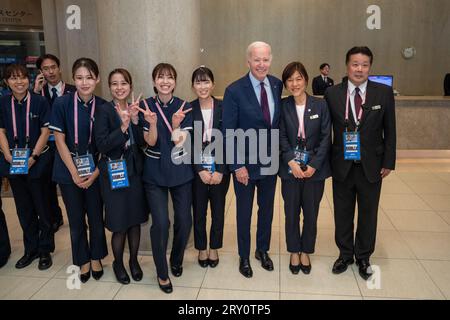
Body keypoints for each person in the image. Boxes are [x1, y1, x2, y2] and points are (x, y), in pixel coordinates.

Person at [324, 46, 396, 280]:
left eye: (364, 65)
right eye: (355, 64)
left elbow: (390, 130)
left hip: (372, 166)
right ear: (347, 65)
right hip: (342, 165)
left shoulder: (383, 93)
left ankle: (363, 256)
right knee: (342, 212)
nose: (359, 69)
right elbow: (326, 132)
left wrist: (389, 161)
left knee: (368, 213)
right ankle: (345, 254)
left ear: (370, 67)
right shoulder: (333, 93)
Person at [222, 41, 282, 278]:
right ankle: (244, 256)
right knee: (244, 212)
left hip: (269, 163)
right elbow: (228, 132)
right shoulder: (234, 90)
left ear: (271, 59)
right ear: (248, 61)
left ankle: (262, 250)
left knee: (266, 210)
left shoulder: (277, 85)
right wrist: (237, 165)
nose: (261, 64)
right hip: (244, 166)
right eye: (257, 59)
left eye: (265, 59)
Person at [49, 58, 108, 283]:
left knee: (95, 216)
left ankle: (96, 257)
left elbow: (105, 144)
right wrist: (74, 172)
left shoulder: (103, 106)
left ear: (97, 79)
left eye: (89, 77)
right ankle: (82, 260)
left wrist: (94, 174)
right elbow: (60, 141)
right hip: (67, 171)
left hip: (94, 170)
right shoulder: (62, 104)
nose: (84, 82)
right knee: (75, 219)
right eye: (80, 78)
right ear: (73, 79)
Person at [137, 63, 193, 293]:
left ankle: (176, 259)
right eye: (161, 77)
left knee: (184, 220)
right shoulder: (145, 106)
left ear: (175, 82)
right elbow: (149, 142)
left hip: (179, 168)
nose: (165, 81)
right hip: (154, 169)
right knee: (160, 223)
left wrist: (176, 125)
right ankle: (162, 272)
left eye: (170, 77)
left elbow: (181, 142)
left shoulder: (184, 106)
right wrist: (151, 123)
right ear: (153, 81)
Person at [94, 68, 148, 284]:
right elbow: (103, 144)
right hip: (114, 173)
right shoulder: (104, 110)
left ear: (130, 86)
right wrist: (123, 127)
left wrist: (134, 121)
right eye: (115, 84)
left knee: (134, 221)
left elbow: (142, 143)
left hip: (134, 172)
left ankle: (133, 261)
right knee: (119, 223)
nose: (119, 87)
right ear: (109, 87)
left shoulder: (135, 108)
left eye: (123, 83)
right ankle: (118, 262)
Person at [279, 62, 331, 275]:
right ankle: (293, 250)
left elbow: (327, 136)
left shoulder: (320, 105)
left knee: (311, 212)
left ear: (306, 80)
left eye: (298, 78)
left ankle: (306, 250)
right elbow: (280, 135)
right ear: (285, 84)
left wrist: (313, 166)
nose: (294, 83)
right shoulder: (283, 106)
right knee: (291, 212)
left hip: (313, 171)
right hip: (290, 170)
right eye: (290, 80)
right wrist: (291, 160)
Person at [0, 64, 54, 270]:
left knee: (43, 208)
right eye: (13, 78)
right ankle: (30, 249)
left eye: (22, 77)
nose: (19, 82)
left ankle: (45, 250)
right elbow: (1, 131)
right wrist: (7, 155)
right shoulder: (3, 103)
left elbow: (45, 131)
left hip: (37, 162)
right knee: (24, 210)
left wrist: (34, 155)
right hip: (14, 163)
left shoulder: (39, 102)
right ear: (7, 82)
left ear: (28, 79)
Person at [190, 67, 230, 268]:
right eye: (198, 82)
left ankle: (214, 247)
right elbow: (186, 143)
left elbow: (230, 139)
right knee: (199, 211)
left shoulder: (224, 107)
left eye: (206, 82)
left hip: (220, 168)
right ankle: (201, 248)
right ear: (193, 86)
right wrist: (200, 169)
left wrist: (221, 169)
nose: (202, 86)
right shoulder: (188, 109)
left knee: (218, 210)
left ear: (213, 84)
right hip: (198, 170)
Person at [34, 54, 76, 232]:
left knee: (71, 182)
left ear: (59, 68)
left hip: (68, 145)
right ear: (41, 72)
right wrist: (35, 92)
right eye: (46, 68)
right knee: (47, 185)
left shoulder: (73, 90)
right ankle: (55, 218)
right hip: (46, 146)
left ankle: (78, 216)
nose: (50, 71)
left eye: (53, 67)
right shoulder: (38, 93)